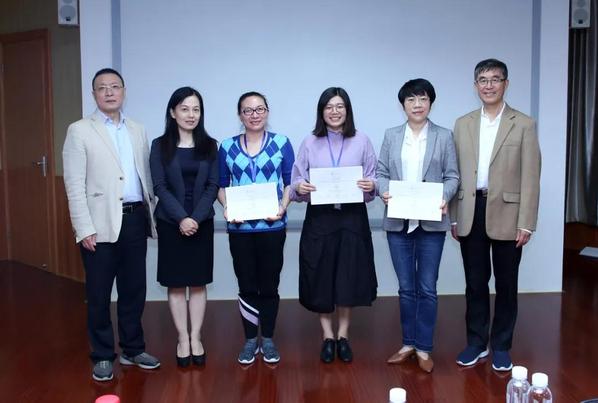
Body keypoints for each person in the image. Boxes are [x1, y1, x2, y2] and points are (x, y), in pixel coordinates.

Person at [63, 68, 160, 382]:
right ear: (94, 94)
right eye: (102, 88)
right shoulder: (79, 130)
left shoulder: (137, 129)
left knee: (134, 290)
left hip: (135, 219)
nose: (109, 92)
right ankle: (103, 355)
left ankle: (133, 348)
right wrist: (84, 227)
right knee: (99, 293)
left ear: (123, 91)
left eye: (114, 86)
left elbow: (145, 176)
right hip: (99, 223)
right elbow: (74, 184)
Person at [450, 59, 541, 371]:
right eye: (483, 80)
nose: (488, 85)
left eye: (495, 79)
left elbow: (531, 177)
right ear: (475, 85)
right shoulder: (463, 123)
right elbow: (455, 174)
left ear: (506, 84)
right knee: (475, 283)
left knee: (506, 284)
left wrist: (526, 222)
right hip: (470, 210)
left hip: (509, 213)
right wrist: (454, 216)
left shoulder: (524, 124)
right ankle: (476, 343)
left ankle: (501, 345)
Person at [376, 79, 459, 373]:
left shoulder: (444, 136)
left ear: (430, 103)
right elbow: (381, 173)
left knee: (427, 288)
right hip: (398, 223)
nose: (417, 105)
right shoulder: (391, 135)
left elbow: (452, 176)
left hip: (431, 224)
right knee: (405, 288)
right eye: (411, 100)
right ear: (403, 105)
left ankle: (424, 348)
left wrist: (444, 196)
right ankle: (407, 343)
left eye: (423, 99)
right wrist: (384, 190)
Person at [291, 87, 378, 364]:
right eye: (329, 106)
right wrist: (300, 187)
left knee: (347, 276)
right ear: (321, 111)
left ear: (347, 110)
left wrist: (371, 185)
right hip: (320, 218)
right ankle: (327, 336)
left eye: (340, 106)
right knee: (321, 275)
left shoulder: (362, 140)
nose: (335, 111)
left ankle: (343, 335)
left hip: (352, 217)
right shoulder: (309, 142)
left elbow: (374, 179)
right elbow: (296, 181)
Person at [217, 91, 294, 365]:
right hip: (241, 230)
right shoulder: (227, 146)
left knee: (269, 284)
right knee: (246, 284)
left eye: (259, 109)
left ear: (267, 112)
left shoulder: (282, 143)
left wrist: (283, 206)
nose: (254, 115)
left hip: (272, 227)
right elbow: (221, 185)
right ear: (240, 115)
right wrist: (227, 207)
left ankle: (268, 338)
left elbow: (290, 182)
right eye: (248, 110)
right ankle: (251, 339)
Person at [149, 87, 218, 367]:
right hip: (170, 223)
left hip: (202, 223)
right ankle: (182, 338)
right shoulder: (159, 145)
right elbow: (159, 186)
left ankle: (196, 337)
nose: (191, 115)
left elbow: (213, 185)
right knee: (176, 284)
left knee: (198, 283)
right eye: (185, 109)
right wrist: (181, 218)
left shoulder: (210, 145)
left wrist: (195, 219)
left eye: (196, 109)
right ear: (172, 112)